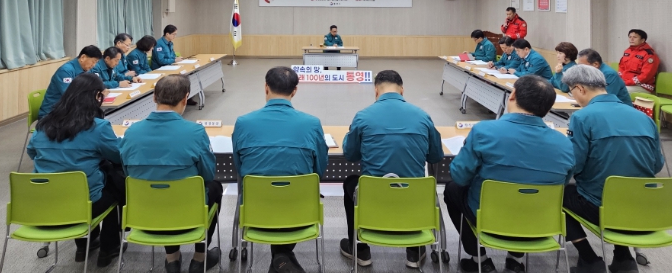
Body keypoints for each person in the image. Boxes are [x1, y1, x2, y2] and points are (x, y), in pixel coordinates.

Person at [444, 76, 575, 273]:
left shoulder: (483, 131)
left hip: (489, 218)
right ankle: (515, 261)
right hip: (539, 221)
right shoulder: (565, 143)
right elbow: (562, 184)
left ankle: (480, 260)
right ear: (548, 108)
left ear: (512, 95)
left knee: (452, 189)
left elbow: (460, 177)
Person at [561, 65, 664, 273]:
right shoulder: (643, 118)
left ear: (580, 88)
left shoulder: (582, 117)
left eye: (571, 91)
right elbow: (657, 164)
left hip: (601, 207)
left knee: (559, 194)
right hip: (647, 208)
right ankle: (623, 258)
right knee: (618, 189)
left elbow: (575, 164)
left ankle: (589, 259)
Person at [340, 70, 443, 269]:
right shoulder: (423, 117)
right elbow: (436, 156)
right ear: (402, 90)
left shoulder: (363, 117)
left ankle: (360, 249)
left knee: (351, 183)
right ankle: (415, 250)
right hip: (412, 199)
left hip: (374, 200)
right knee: (415, 181)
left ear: (376, 91)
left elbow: (350, 155)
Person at [120, 75, 222, 273]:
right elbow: (208, 174)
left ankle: (172, 259)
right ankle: (199, 258)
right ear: (185, 98)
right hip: (188, 215)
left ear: (154, 97)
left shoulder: (131, 132)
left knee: (159, 183)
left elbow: (127, 172)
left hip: (145, 216)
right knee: (214, 186)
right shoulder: (195, 132)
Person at [232, 67, 328, 273]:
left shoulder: (243, 123)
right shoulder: (312, 124)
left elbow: (240, 168)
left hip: (256, 213)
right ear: (295, 91)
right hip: (300, 212)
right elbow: (318, 170)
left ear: (266, 88)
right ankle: (282, 257)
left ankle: (281, 258)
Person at [27, 73, 124, 268]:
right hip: (82, 206)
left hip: (42, 206)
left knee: (78, 183)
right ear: (96, 96)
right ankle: (109, 248)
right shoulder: (98, 127)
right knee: (115, 185)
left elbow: (32, 152)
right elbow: (117, 156)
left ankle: (85, 244)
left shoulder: (44, 125)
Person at [38, 45, 103, 118]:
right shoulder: (65, 71)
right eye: (93, 62)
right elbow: (70, 96)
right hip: (52, 114)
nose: (94, 65)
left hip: (70, 111)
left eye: (96, 62)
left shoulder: (85, 70)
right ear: (83, 57)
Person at [618, 29, 660, 94]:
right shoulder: (627, 51)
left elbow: (646, 76)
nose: (631, 39)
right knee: (607, 88)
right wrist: (619, 80)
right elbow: (621, 68)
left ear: (642, 40)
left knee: (618, 91)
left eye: (635, 37)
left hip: (643, 86)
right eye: (630, 37)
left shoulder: (649, 55)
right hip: (626, 83)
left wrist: (627, 82)